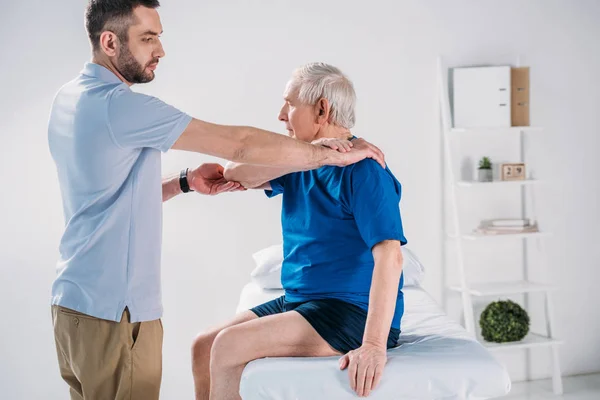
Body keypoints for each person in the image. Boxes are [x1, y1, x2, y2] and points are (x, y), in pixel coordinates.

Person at [48, 1, 385, 399]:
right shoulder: (120, 106)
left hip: (71, 307)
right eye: (147, 38)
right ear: (109, 41)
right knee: (207, 348)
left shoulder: (69, 98)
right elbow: (240, 146)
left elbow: (109, 195)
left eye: (159, 37)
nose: (160, 50)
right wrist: (331, 153)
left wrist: (184, 182)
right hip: (115, 312)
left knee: (207, 346)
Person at [191, 62, 407, 400]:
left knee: (229, 345)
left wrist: (373, 346)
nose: (280, 115)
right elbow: (235, 172)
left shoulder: (365, 172)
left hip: (350, 310)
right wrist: (319, 155)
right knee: (203, 345)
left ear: (322, 109)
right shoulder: (302, 159)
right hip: (303, 301)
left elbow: (391, 257)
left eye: (290, 104)